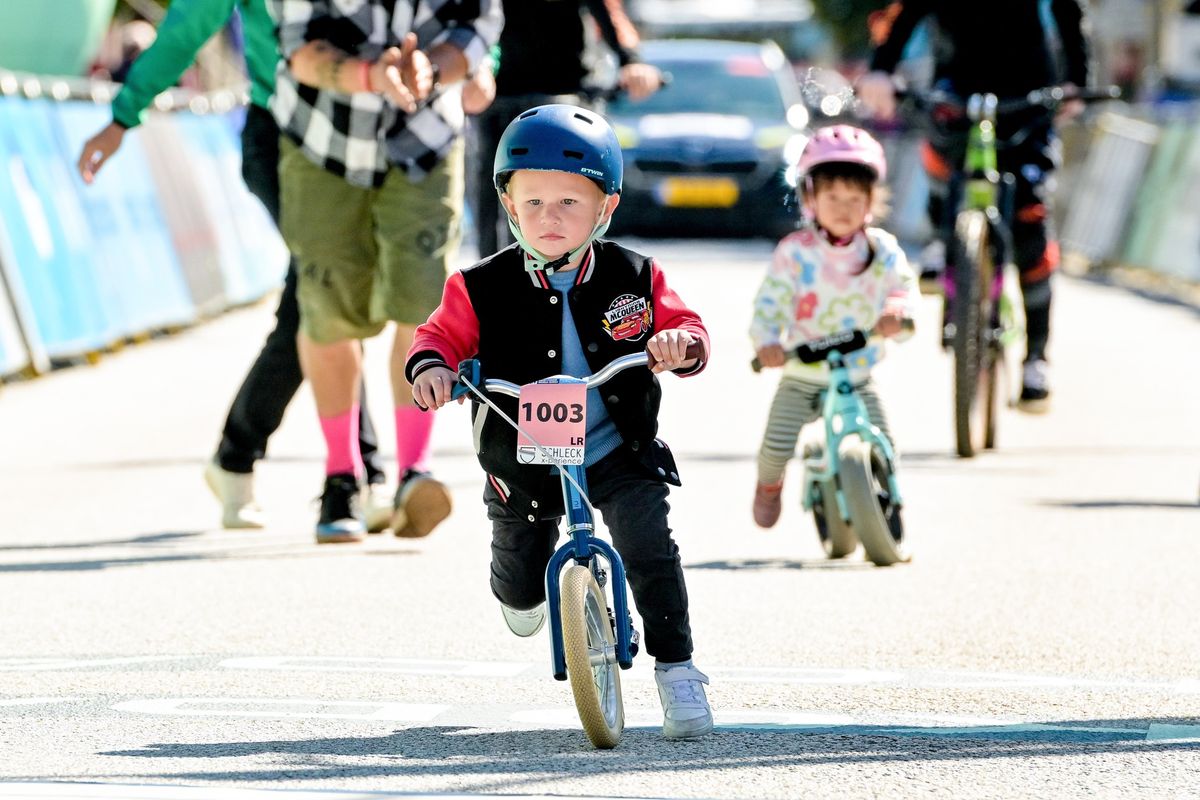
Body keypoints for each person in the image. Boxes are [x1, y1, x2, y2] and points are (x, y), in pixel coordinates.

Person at [407, 104, 714, 739]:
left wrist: (679, 345)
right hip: (523, 452)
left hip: (615, 443)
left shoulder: (636, 274)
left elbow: (684, 325)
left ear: (606, 207)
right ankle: (523, 589)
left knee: (648, 546)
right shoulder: (479, 287)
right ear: (509, 206)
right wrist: (434, 370)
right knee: (521, 583)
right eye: (535, 201)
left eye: (571, 202)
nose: (552, 217)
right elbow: (436, 338)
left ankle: (678, 671)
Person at [74, 0, 393, 532]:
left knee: (330, 298)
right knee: (323, 296)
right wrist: (122, 117)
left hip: (368, 132)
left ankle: (265, 463)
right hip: (284, 138)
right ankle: (348, 475)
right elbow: (186, 30)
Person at [269, 0, 503, 543]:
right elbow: (300, 46)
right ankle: (343, 475)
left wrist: (439, 67)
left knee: (422, 308)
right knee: (329, 313)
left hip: (425, 139)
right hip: (322, 137)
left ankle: (414, 474)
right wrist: (372, 75)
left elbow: (478, 27)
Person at [856, 0, 1092, 412]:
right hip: (956, 87)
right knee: (942, 151)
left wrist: (1076, 81)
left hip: (1029, 94)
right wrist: (880, 69)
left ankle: (1036, 359)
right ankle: (942, 243)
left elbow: (1069, 13)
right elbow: (907, 13)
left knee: (1029, 219)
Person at [750, 125, 918, 529]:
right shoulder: (796, 252)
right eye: (832, 197)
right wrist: (768, 342)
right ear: (810, 198)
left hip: (857, 371)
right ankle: (769, 486)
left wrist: (897, 313)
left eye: (855, 198)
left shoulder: (882, 250)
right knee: (775, 445)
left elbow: (902, 287)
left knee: (884, 440)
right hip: (802, 370)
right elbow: (769, 304)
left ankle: (887, 500)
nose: (843, 208)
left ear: (871, 200)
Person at [467, 0, 662, 257]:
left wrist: (631, 59)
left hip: (564, 91)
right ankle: (490, 285)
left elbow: (608, 11)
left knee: (576, 181)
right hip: (495, 95)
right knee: (492, 194)